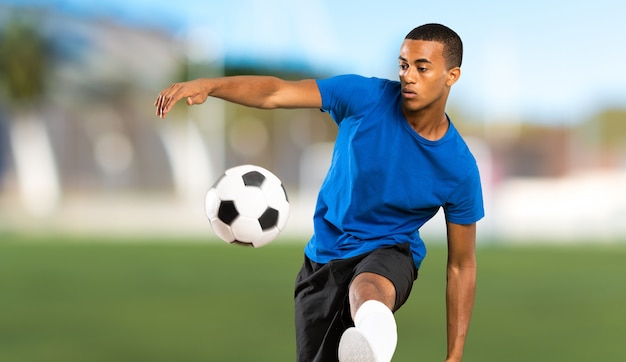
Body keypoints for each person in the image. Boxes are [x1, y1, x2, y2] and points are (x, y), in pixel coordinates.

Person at [154, 23, 484, 362]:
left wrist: (455, 355)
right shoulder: (363, 97)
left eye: (422, 67)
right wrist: (209, 85)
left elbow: (461, 266)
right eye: (403, 65)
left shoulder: (458, 168)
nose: (408, 76)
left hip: (390, 251)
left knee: (367, 289)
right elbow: (275, 92)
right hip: (323, 259)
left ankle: (373, 340)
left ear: (451, 75)